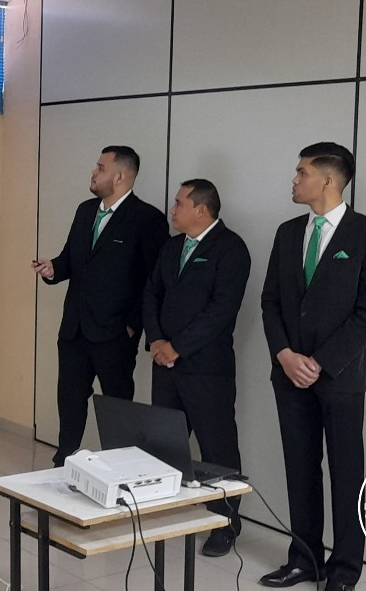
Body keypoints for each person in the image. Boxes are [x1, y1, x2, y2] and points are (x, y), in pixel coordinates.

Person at [259, 143, 366, 591]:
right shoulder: (286, 232)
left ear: (328, 180)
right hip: (288, 373)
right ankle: (304, 560)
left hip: (339, 376)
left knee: (346, 473)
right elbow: (270, 301)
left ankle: (345, 570)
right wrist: (284, 355)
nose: (294, 180)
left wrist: (318, 362)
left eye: (301, 172)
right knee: (300, 468)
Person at [33, 145, 168, 467]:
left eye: (100, 168)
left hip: (115, 333)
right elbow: (71, 258)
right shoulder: (85, 211)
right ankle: (63, 461)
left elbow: (155, 281)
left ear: (120, 176)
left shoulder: (147, 219)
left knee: (117, 406)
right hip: (75, 328)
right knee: (69, 399)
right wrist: (54, 269)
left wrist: (133, 325)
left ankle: (120, 467)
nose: (94, 173)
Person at [142, 179, 250, 558]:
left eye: (178, 203)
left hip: (207, 369)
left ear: (201, 209)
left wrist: (178, 347)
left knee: (217, 448)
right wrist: (156, 341)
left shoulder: (231, 249)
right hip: (165, 366)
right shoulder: (172, 246)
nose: (172, 210)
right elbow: (151, 293)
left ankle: (224, 523)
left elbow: (221, 312)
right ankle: (165, 512)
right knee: (164, 445)